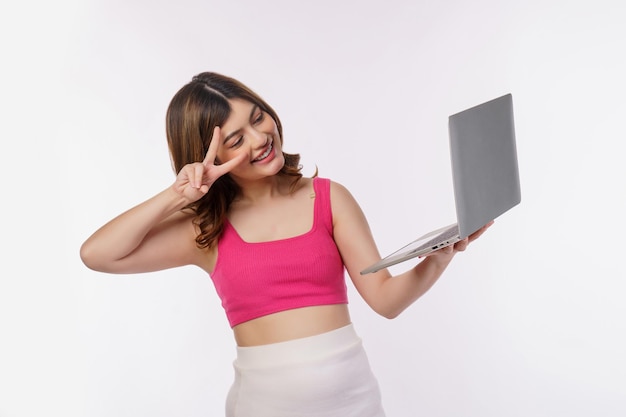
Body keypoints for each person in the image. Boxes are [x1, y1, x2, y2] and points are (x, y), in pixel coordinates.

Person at [80, 72, 492, 417]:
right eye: (236, 141)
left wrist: (442, 255)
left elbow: (386, 300)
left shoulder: (330, 198)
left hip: (356, 403)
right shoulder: (205, 231)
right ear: (208, 158)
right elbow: (97, 254)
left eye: (258, 118)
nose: (260, 138)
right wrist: (177, 195)